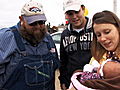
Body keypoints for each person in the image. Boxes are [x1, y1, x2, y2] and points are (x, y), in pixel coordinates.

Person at [0, 1, 60, 90]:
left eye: (41, 22)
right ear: (21, 20)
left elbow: (55, 67)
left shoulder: (48, 40)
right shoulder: (8, 37)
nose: (38, 26)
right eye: (32, 23)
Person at [69, 10, 120, 90]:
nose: (102, 39)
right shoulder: (98, 56)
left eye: (107, 32)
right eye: (98, 35)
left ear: (118, 29)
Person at [58, 0, 93, 89]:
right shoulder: (65, 34)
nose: (74, 17)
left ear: (83, 9)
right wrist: (63, 80)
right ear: (66, 15)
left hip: (94, 81)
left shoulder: (95, 29)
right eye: (70, 13)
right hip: (72, 82)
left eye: (77, 12)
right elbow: (63, 61)